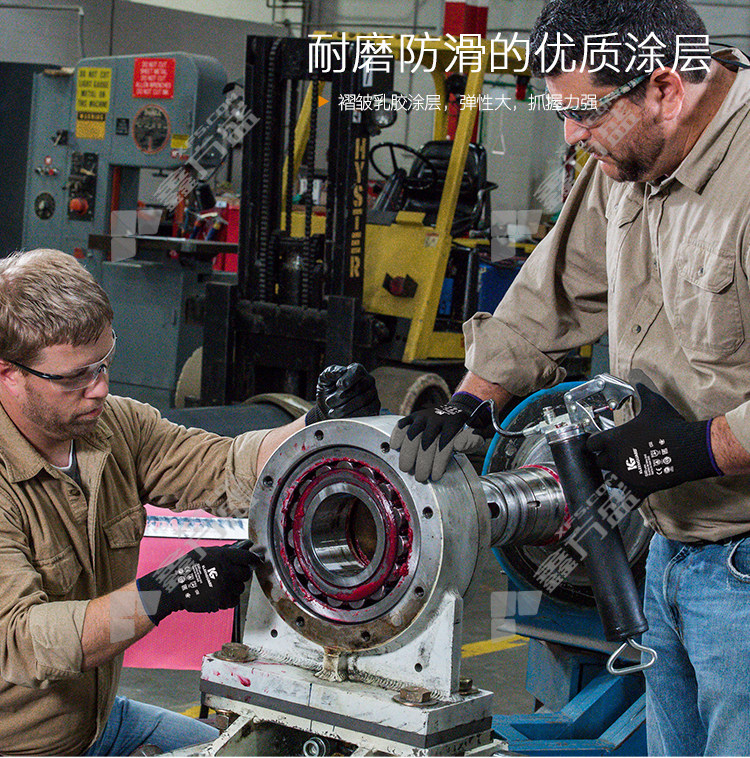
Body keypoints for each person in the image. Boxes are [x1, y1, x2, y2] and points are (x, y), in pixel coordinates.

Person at [391, 1, 750, 755]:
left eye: (583, 112)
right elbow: (555, 289)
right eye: (561, 112)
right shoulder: (629, 155)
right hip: (669, 548)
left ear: (664, 89)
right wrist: (470, 403)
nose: (570, 135)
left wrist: (699, 449)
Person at [0, 248, 380, 756]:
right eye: (75, 377)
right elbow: (25, 643)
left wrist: (314, 425)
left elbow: (220, 466)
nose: (100, 389)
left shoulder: (113, 426)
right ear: (8, 372)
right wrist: (163, 592)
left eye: (104, 363)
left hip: (98, 723)